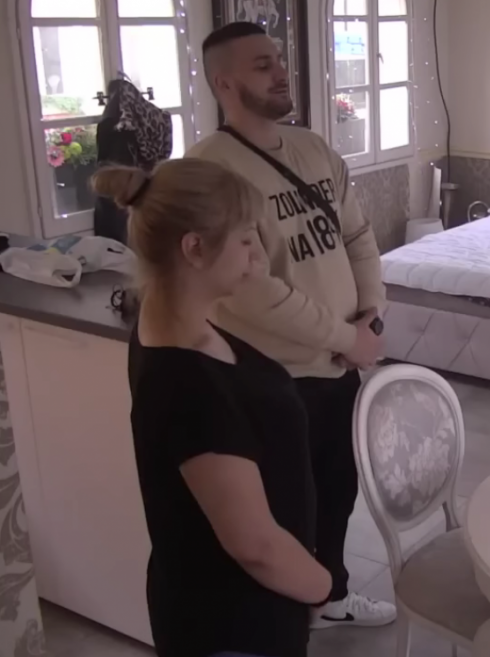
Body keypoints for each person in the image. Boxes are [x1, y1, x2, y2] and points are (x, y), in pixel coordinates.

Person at [185, 22, 394, 629]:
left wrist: (371, 313)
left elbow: (357, 234)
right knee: (283, 509)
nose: (281, 72)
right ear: (224, 84)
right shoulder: (210, 171)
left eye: (278, 59)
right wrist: (349, 338)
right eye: (261, 65)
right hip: (272, 379)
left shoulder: (313, 149)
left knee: (336, 492)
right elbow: (252, 290)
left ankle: (332, 598)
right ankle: (285, 619)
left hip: (339, 367)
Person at [96, 159, 332, 657]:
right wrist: (321, 586)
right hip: (231, 627)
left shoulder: (180, 325)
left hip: (242, 605)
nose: (257, 254)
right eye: (245, 240)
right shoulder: (184, 381)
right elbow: (255, 546)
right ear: (194, 248)